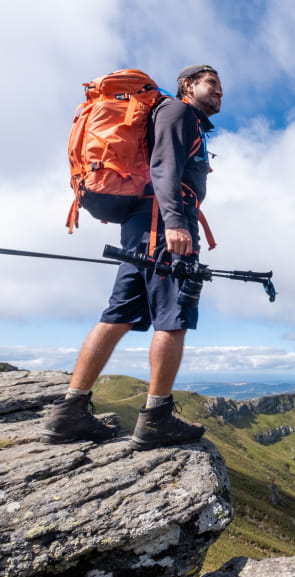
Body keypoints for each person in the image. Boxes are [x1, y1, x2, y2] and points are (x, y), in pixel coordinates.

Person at [43, 64, 223, 451]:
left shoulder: (172, 115)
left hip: (143, 224)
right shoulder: (179, 112)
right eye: (212, 84)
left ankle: (69, 412)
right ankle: (156, 418)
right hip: (164, 221)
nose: (220, 92)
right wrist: (175, 223)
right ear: (188, 86)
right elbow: (164, 167)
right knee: (174, 315)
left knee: (119, 314)